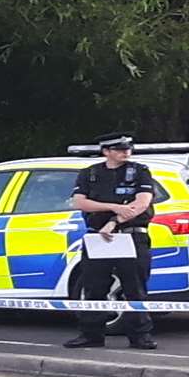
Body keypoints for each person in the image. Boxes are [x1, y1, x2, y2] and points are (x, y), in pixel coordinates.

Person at [63, 132, 158, 350]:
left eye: (127, 148)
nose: (126, 152)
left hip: (132, 234)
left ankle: (140, 335)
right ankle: (91, 334)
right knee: (94, 287)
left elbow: (142, 203)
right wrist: (114, 207)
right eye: (119, 149)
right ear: (106, 151)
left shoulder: (140, 171)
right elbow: (79, 202)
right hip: (98, 237)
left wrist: (114, 221)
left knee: (134, 287)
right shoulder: (90, 173)